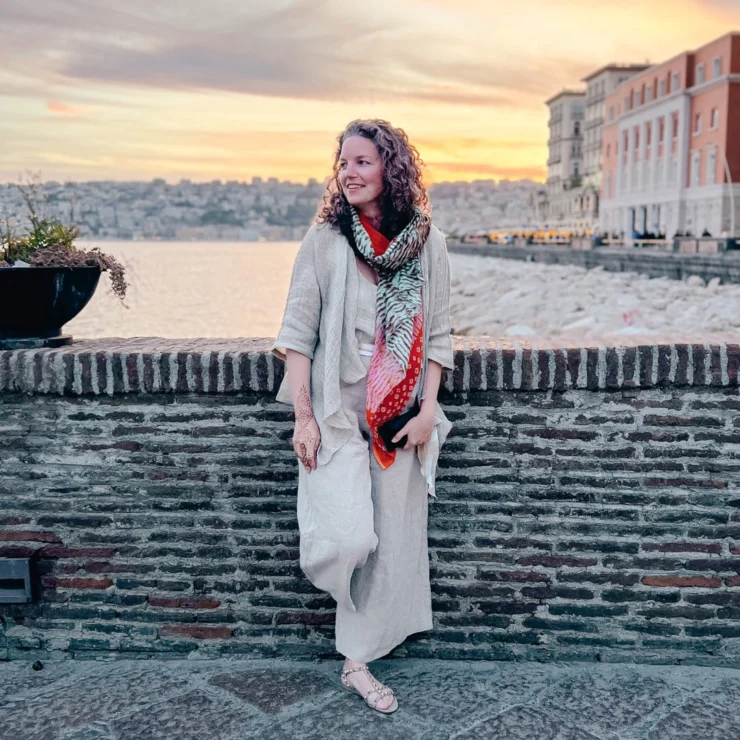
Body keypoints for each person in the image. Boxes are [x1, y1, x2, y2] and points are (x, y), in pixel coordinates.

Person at [271, 119, 454, 714]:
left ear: (389, 170)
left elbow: (441, 336)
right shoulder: (323, 241)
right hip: (335, 414)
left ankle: (357, 663)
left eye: (362, 162)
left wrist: (428, 411)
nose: (348, 172)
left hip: (397, 418)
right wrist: (303, 416)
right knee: (349, 537)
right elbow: (297, 334)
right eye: (342, 163)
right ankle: (353, 638)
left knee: (392, 544)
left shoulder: (429, 244)